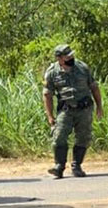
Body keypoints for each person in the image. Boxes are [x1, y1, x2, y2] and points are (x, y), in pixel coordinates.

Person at [42, 44, 104, 178]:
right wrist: (50, 116)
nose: (71, 57)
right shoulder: (52, 72)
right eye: (67, 56)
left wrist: (99, 107)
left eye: (71, 55)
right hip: (66, 110)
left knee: (83, 137)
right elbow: (47, 94)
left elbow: (94, 87)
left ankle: (77, 165)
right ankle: (59, 166)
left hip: (84, 109)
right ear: (59, 58)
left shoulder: (82, 68)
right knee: (58, 136)